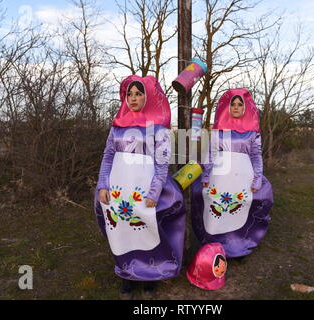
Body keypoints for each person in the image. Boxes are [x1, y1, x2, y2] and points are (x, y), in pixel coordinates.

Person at [94, 75, 185, 299]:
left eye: (139, 93)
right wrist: (103, 185)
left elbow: (162, 164)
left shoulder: (159, 129)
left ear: (148, 96)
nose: (133, 98)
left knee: (146, 229)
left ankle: (150, 276)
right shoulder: (117, 126)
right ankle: (126, 274)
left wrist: (154, 192)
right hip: (118, 189)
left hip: (144, 189)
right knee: (121, 231)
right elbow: (108, 156)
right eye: (130, 94)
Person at [191, 88, 273, 262]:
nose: (236, 107)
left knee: (238, 209)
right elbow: (210, 154)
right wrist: (205, 176)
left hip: (242, 177)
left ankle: (237, 248)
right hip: (219, 177)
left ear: (245, 108)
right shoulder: (217, 131)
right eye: (232, 104)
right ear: (227, 107)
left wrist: (257, 178)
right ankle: (214, 246)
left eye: (239, 105)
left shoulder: (252, 132)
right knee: (216, 209)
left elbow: (256, 156)